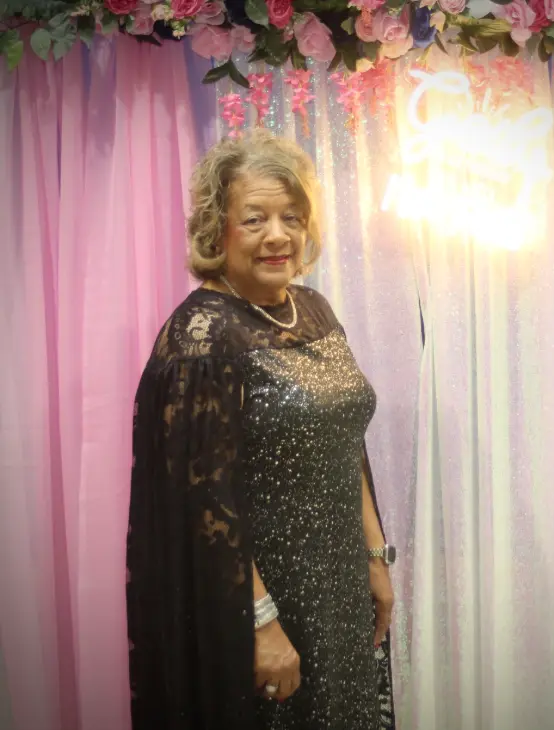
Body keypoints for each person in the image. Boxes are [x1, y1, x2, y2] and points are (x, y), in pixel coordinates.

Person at [126, 130, 396, 730]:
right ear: (216, 230)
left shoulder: (313, 308)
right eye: (254, 219)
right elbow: (200, 503)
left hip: (339, 584)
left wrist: (375, 558)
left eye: (291, 217)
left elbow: (345, 441)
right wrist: (261, 625)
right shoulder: (201, 339)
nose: (278, 235)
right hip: (262, 600)